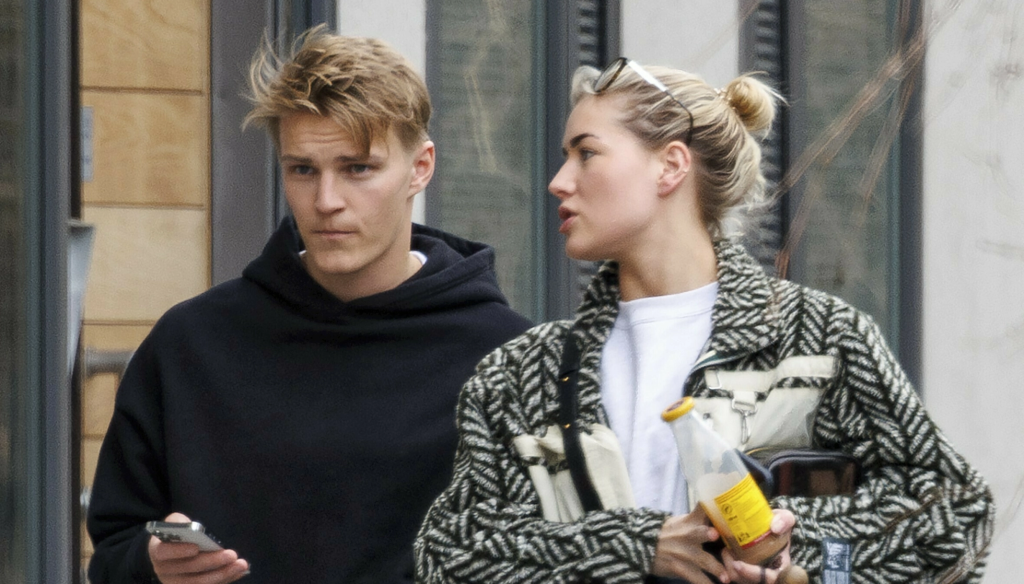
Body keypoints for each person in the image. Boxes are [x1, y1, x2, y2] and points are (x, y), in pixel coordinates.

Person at [415, 58, 994, 583]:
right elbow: (447, 553)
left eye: (586, 153)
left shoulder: (821, 339)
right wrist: (635, 546)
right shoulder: (519, 374)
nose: (559, 181)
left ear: (670, 166)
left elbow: (954, 513)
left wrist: (797, 552)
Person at [85, 27, 531, 584]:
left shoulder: (507, 359)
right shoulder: (190, 343)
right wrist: (150, 565)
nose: (326, 201)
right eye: (303, 169)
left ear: (420, 167)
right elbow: (113, 554)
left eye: (357, 168)